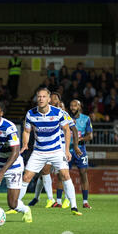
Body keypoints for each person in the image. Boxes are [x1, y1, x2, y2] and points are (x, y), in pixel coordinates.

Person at [18, 87, 82, 216]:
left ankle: (74, 207)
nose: (41, 99)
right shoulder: (31, 113)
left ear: (48, 99)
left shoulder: (58, 113)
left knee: (65, 175)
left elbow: (67, 130)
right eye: (39, 97)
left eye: (43, 97)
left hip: (56, 151)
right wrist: (25, 144)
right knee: (26, 177)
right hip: (39, 152)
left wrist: (67, 150)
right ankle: (16, 204)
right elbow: (26, 131)